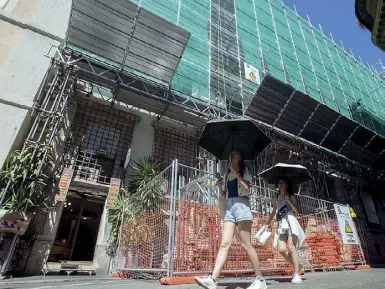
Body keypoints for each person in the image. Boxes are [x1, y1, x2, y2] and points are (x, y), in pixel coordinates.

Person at [195, 150, 267, 289]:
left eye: (236, 153)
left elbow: (247, 188)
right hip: (229, 207)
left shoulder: (245, 172)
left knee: (246, 244)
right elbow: (225, 194)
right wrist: (220, 186)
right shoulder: (227, 174)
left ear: (241, 157)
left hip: (242, 206)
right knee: (224, 243)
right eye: (231, 154)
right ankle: (213, 280)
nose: (232, 155)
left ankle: (260, 280)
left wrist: (237, 175)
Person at [266, 178, 306, 284]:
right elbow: (274, 211)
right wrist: (267, 223)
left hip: (291, 221)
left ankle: (297, 274)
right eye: (279, 183)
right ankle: (298, 266)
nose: (280, 184)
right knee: (282, 250)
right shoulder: (275, 197)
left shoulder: (291, 196)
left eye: (282, 182)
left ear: (287, 185)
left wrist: (288, 201)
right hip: (281, 224)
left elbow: (297, 211)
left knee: (291, 247)